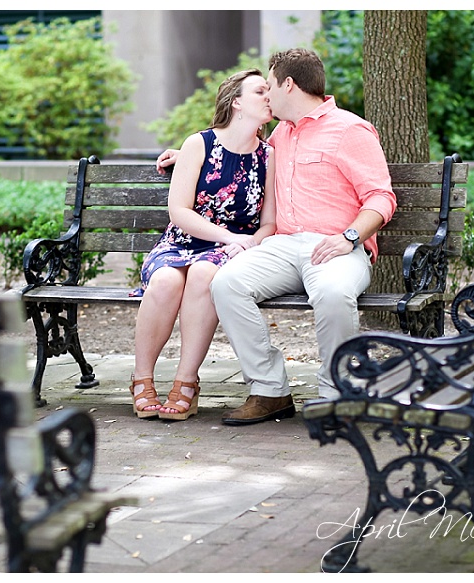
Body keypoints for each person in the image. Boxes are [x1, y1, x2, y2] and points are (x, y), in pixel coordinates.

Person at [157, 48, 397, 426]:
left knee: (333, 293)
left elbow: (381, 197)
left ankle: (337, 393)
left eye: (269, 85)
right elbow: (233, 146)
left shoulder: (351, 129)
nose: (267, 93)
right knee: (227, 283)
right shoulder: (280, 135)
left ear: (288, 84)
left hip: (337, 245)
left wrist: (349, 237)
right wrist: (185, 154)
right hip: (283, 246)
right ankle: (270, 390)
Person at [130, 68, 277, 421]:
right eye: (260, 91)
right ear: (236, 102)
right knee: (165, 281)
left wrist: (249, 243)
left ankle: (186, 383)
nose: (269, 96)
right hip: (182, 241)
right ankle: (141, 379)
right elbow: (178, 211)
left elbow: (270, 221)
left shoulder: (270, 156)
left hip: (228, 251)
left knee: (203, 275)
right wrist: (230, 236)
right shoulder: (198, 144)